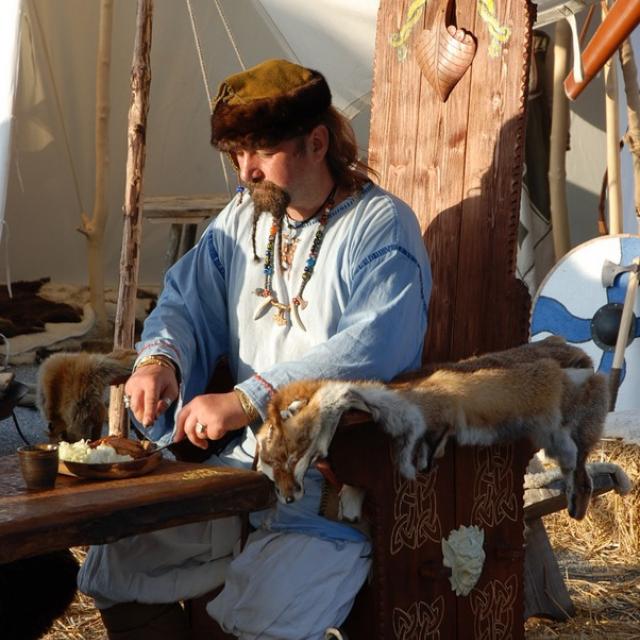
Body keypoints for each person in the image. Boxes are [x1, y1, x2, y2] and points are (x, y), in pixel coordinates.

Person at [78, 58, 432, 640]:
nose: (246, 172)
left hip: (327, 493)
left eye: (261, 151)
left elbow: (371, 347)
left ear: (316, 143)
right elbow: (184, 300)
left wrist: (247, 401)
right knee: (118, 566)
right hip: (233, 474)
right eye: (237, 154)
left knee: (263, 624)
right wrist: (161, 360)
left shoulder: (381, 227)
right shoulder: (244, 219)